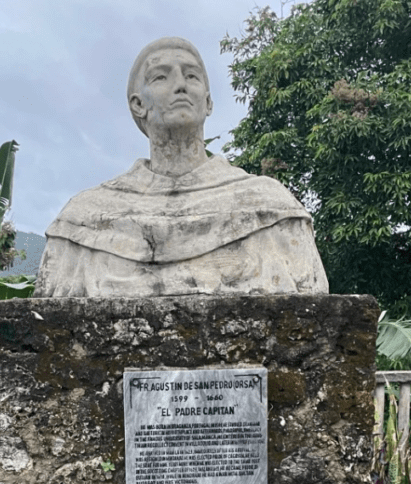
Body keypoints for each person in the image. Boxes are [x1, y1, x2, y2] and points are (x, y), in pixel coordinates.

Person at [35, 37, 328, 297]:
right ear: (138, 104)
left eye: (192, 76)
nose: (180, 85)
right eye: (161, 77)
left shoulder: (270, 208)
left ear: (208, 102)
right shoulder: (83, 220)